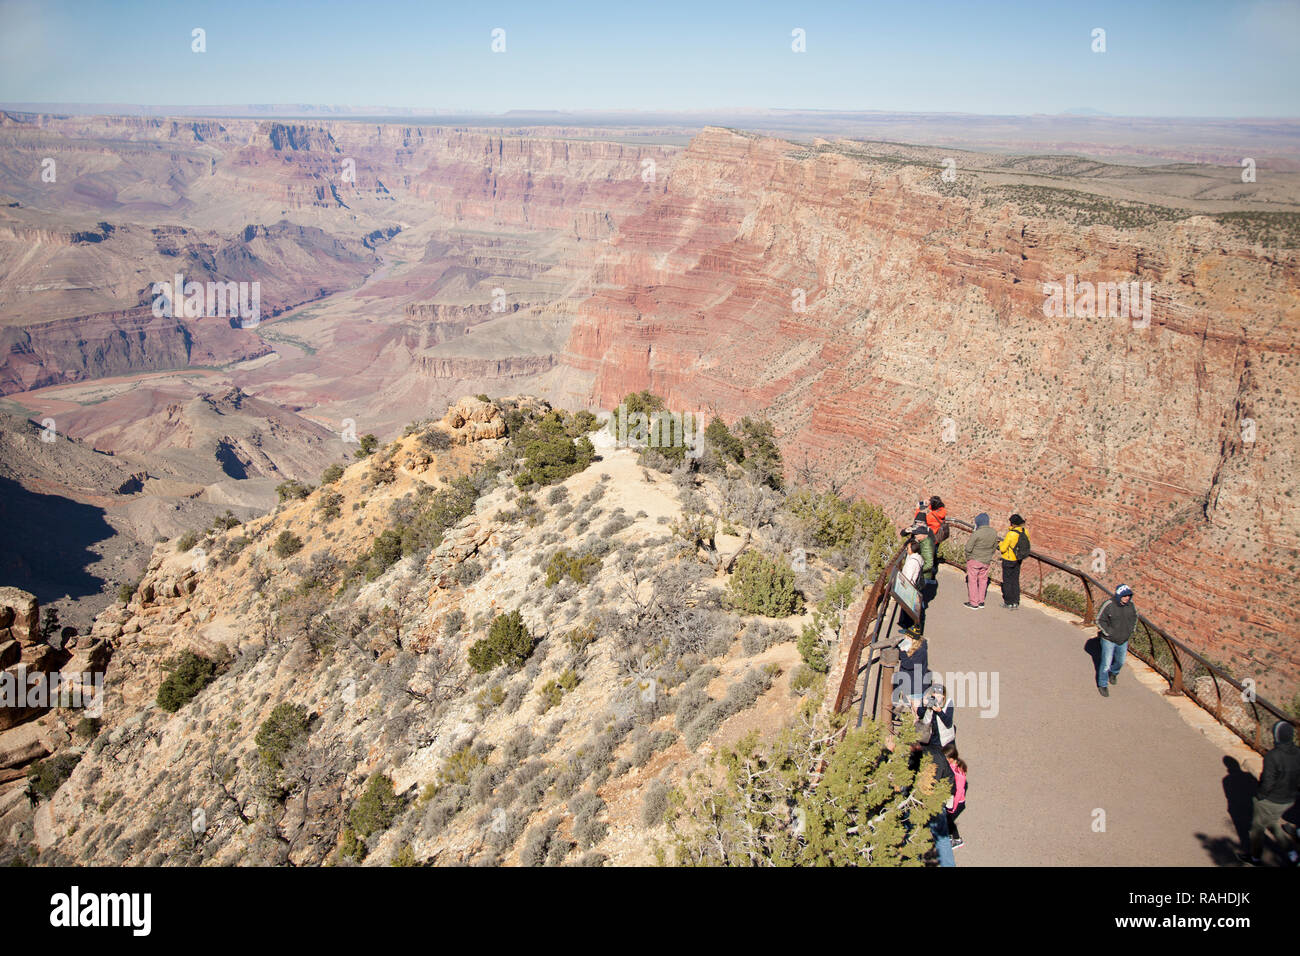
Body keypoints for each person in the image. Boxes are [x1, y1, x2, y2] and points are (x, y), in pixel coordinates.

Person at [1237, 720, 1300, 866]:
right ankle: (1292, 854)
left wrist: (1260, 796)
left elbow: (1268, 781)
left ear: (1276, 737)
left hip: (1271, 799)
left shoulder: (1273, 756)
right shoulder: (1298, 752)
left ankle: (1255, 857)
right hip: (1290, 799)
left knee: (1257, 829)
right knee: (1271, 822)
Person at [1095, 584, 1137, 697]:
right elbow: (1099, 620)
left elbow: (1134, 617)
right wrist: (1108, 633)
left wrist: (1131, 630)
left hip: (1123, 639)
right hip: (1108, 639)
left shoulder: (1131, 606)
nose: (1127, 598)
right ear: (1119, 595)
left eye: (1129, 595)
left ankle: (1113, 673)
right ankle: (1102, 684)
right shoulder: (1109, 605)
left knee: (1120, 661)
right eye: (1124, 596)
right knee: (1106, 664)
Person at [963, 512, 998, 609]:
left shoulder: (977, 533)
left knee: (973, 581)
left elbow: (968, 547)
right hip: (986, 561)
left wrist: (969, 557)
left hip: (974, 559)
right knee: (983, 580)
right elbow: (995, 546)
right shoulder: (994, 532)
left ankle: (974, 603)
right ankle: (981, 601)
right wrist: (989, 555)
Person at [892, 626, 930, 713]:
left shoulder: (920, 652)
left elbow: (908, 665)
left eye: (907, 636)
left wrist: (902, 652)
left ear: (912, 638)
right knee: (914, 710)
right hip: (911, 685)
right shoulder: (915, 647)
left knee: (917, 713)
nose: (905, 638)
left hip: (916, 688)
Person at [996, 514, 1029, 609]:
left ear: (1013, 523)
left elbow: (1003, 548)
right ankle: (1016, 601)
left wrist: (999, 543)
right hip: (1019, 559)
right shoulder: (1025, 531)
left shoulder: (1011, 534)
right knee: (1015, 580)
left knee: (1007, 581)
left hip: (1009, 559)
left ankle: (1008, 602)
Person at [943, 743, 968, 848]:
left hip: (957, 802)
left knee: (949, 820)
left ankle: (956, 839)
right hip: (952, 800)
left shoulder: (958, 773)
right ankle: (951, 837)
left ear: (952, 758)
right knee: (948, 820)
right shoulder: (952, 766)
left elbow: (959, 791)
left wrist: (954, 806)